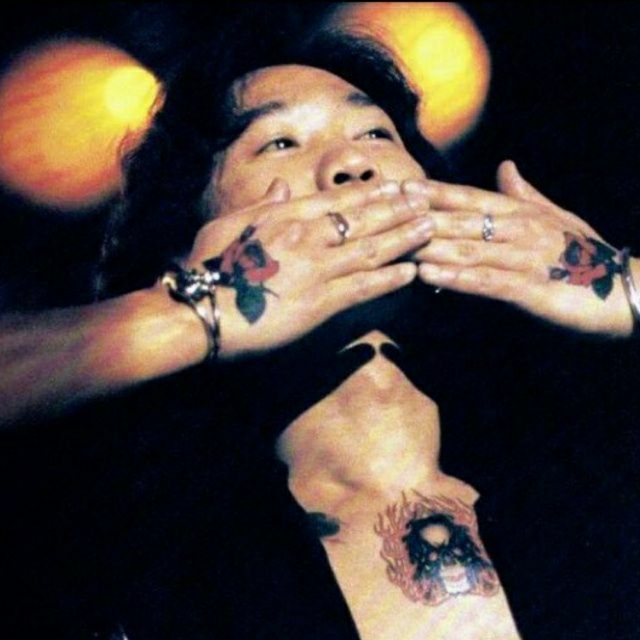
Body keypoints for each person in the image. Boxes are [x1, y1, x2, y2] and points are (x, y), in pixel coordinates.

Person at [1, 24, 639, 640]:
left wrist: (626, 287)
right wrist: (192, 309)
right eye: (280, 143)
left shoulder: (588, 453)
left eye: (375, 133)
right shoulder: (129, 539)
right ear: (190, 238)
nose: (352, 163)